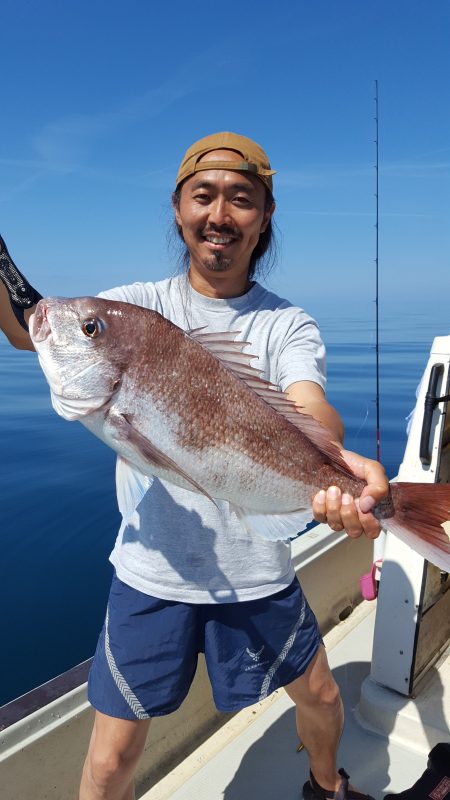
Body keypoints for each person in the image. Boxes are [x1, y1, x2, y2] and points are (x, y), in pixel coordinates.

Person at [0, 132, 389, 800]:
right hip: (153, 575)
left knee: (322, 697)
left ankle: (328, 787)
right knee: (111, 757)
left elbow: (311, 407)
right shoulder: (134, 308)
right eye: (203, 195)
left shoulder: (287, 325)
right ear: (178, 210)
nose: (220, 213)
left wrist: (337, 462)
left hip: (257, 570)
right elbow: (30, 324)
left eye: (242, 199)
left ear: (264, 217)